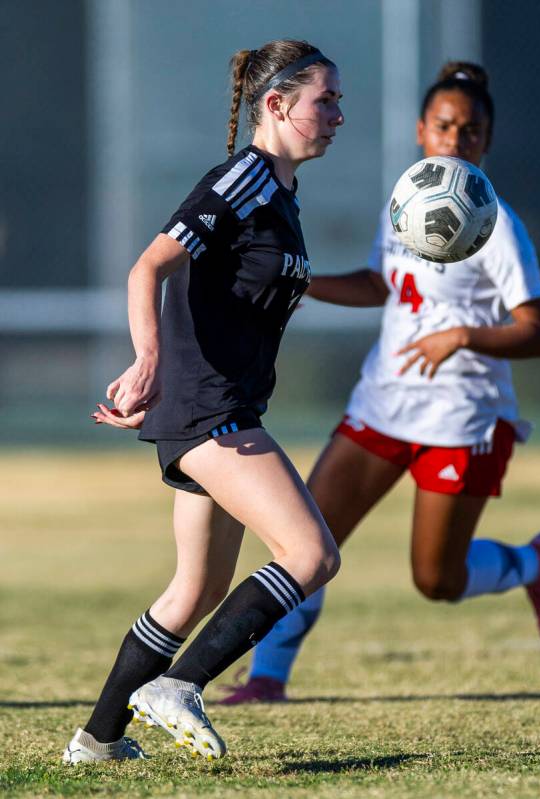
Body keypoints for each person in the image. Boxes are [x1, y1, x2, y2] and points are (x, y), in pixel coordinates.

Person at [221, 61, 540, 705]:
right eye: (444, 127)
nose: (456, 141)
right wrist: (304, 283)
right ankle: (267, 679)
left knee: (436, 579)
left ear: (486, 140)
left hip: (462, 418)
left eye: (471, 131)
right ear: (421, 131)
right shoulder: (411, 198)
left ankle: (534, 563)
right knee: (305, 536)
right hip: (382, 404)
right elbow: (384, 284)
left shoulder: (498, 226)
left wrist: (462, 335)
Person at [62, 39, 344, 764]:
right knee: (310, 553)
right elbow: (148, 266)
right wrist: (148, 360)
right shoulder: (244, 177)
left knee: (197, 587)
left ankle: (98, 738)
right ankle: (178, 685)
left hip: (219, 404)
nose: (336, 113)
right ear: (276, 105)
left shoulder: (279, 194)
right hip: (206, 405)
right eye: (326, 99)